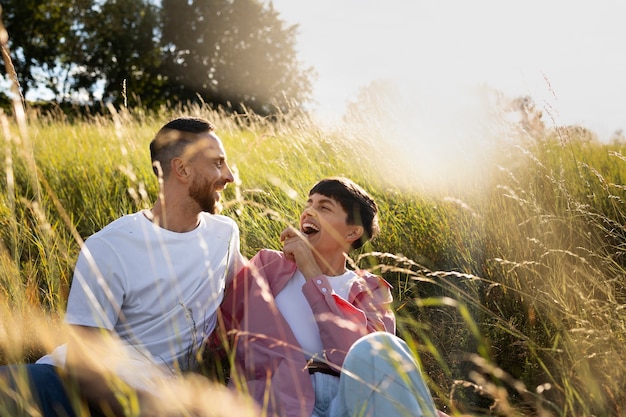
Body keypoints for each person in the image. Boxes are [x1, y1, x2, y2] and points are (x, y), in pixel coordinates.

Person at [0, 117, 245, 416]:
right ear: (182, 169)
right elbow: (83, 357)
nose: (230, 176)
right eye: (218, 163)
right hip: (65, 383)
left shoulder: (225, 233)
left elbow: (255, 285)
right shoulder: (110, 246)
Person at [218, 177, 449, 417]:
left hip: (348, 402)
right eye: (309, 204)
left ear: (352, 232)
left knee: (383, 346)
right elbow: (216, 327)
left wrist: (312, 274)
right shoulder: (268, 266)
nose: (308, 211)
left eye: (324, 207)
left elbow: (360, 364)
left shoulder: (371, 290)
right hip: (279, 401)